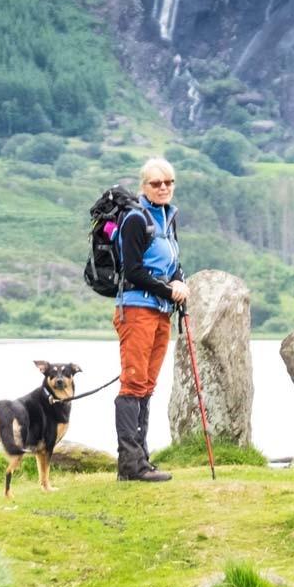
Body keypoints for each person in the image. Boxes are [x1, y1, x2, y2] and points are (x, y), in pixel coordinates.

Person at [112, 156, 187, 482]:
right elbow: (134, 270)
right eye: (156, 183)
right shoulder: (134, 219)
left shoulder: (169, 219)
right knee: (133, 382)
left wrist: (180, 280)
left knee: (147, 384)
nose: (164, 188)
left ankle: (142, 459)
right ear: (144, 187)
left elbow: (171, 264)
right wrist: (168, 290)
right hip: (136, 309)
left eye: (169, 182)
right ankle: (130, 465)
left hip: (160, 312)